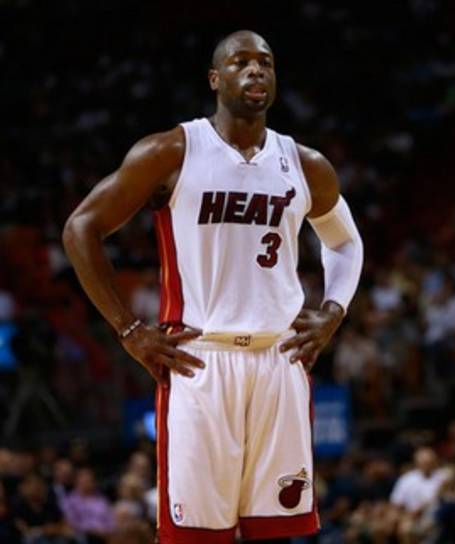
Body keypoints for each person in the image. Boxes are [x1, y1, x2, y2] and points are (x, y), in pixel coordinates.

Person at [62, 30, 363, 543]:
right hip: (200, 360)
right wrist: (129, 330)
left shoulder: (306, 164)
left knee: (277, 531)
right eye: (240, 62)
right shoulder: (171, 151)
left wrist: (334, 311)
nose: (255, 70)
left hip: (279, 360)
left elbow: (345, 241)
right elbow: (80, 228)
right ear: (214, 78)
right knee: (197, 536)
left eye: (265, 62)